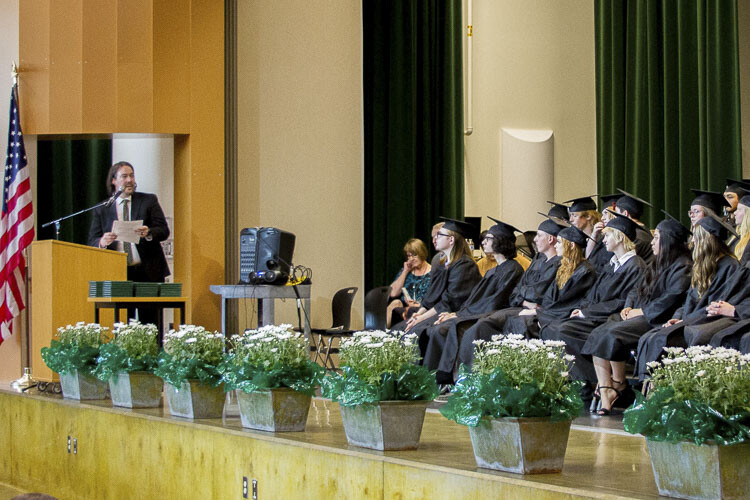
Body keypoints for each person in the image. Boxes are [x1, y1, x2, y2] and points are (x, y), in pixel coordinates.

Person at [582, 213, 692, 414]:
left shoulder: (683, 266)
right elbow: (636, 289)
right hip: (639, 314)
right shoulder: (657, 262)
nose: (652, 241)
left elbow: (671, 298)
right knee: (599, 331)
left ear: (668, 240)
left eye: (657, 237)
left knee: (611, 333)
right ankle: (608, 387)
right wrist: (628, 306)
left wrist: (640, 311)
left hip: (657, 319)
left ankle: (616, 384)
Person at [540, 212, 646, 406]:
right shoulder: (611, 265)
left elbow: (621, 301)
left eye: (607, 235)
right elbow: (592, 295)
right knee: (553, 328)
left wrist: (586, 313)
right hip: (595, 314)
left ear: (620, 237)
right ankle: (584, 383)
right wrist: (582, 308)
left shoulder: (635, 266)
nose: (603, 240)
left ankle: (590, 384)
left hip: (609, 318)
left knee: (563, 330)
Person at [418, 217, 524, 385]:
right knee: (441, 325)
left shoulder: (512, 269)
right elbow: (476, 298)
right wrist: (457, 313)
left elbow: (494, 301)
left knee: (450, 327)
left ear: (500, 242)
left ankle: (448, 379)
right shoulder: (495, 270)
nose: (484, 241)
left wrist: (459, 315)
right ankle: (433, 378)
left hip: (493, 316)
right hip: (478, 312)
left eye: (489, 239)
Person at [635, 213, 740, 380]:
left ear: (708, 241)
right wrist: (678, 317)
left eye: (697, 239)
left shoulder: (730, 267)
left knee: (661, 338)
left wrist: (686, 320)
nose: (693, 243)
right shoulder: (704, 267)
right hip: (692, 319)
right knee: (648, 337)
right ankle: (649, 390)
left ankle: (658, 391)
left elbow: (716, 306)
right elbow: (688, 300)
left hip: (707, 322)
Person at [454, 216, 564, 371]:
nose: (535, 240)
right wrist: (525, 300)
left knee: (485, 324)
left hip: (535, 313)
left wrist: (524, 296)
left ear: (551, 239)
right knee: (482, 323)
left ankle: (474, 376)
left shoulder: (558, 264)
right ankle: (468, 376)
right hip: (521, 307)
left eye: (539, 236)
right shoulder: (537, 262)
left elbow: (537, 293)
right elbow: (516, 294)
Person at [88, 161, 171, 323]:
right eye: (124, 176)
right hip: (119, 273)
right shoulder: (102, 208)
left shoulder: (148, 201)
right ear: (113, 181)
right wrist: (102, 241)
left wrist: (148, 232)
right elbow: (92, 240)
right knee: (124, 322)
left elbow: (163, 230)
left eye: (131, 176)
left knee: (151, 323)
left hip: (148, 271)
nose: (129, 180)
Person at [503, 225, 597, 339]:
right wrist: (538, 310)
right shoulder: (564, 268)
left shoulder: (584, 271)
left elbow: (567, 303)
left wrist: (537, 313)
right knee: (516, 320)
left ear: (571, 245)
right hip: (551, 312)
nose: (555, 245)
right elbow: (549, 297)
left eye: (559, 242)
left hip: (563, 315)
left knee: (522, 322)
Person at [394, 218, 482, 333]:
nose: (435, 239)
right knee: (400, 327)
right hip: (441, 310)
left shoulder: (464, 265)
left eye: (439, 235)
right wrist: (419, 313)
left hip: (456, 314)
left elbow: (450, 302)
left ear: (451, 240)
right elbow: (432, 294)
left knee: (415, 330)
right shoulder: (442, 263)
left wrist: (421, 318)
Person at [386, 239, 432, 327]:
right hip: (404, 308)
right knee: (395, 302)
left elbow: (435, 298)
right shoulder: (407, 271)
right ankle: (381, 333)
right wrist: (405, 271)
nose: (411, 259)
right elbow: (393, 293)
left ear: (422, 253)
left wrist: (419, 305)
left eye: (414, 255)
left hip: (422, 309)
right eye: (408, 256)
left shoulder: (433, 272)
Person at [613, 189, 654, 265]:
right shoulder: (639, 231)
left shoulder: (637, 237)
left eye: (617, 214)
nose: (615, 219)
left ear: (625, 213)